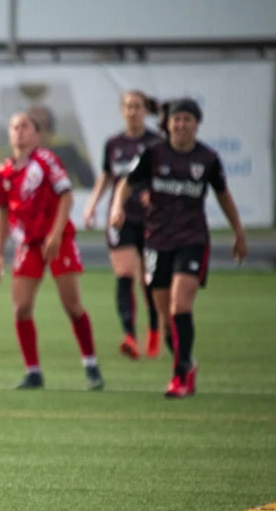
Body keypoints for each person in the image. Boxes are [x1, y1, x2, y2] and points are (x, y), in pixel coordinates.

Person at [111, 98, 248, 398]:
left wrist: (239, 232)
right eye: (177, 119)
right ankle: (187, 363)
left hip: (192, 239)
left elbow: (224, 197)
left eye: (187, 119)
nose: (182, 124)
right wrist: (117, 208)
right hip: (157, 240)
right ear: (168, 123)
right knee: (165, 319)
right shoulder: (154, 153)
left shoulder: (207, 159)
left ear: (197, 124)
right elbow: (126, 183)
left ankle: (179, 377)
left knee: (180, 307)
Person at [0, 112, 104, 391]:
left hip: (58, 240)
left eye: (25, 126)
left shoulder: (46, 160)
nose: (19, 131)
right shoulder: (4, 172)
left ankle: (91, 364)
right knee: (21, 308)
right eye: (14, 126)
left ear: (36, 134)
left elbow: (66, 195)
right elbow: (3, 215)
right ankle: (33, 372)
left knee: (72, 306)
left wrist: (55, 235)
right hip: (28, 244)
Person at [82, 90, 164, 360]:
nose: (132, 111)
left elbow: (166, 175)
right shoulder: (114, 144)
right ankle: (129, 335)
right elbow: (107, 176)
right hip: (121, 218)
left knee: (150, 280)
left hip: (152, 218)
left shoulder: (156, 142)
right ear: (121, 110)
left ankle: (153, 328)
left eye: (137, 106)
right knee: (124, 273)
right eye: (128, 106)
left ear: (145, 110)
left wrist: (154, 193)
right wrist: (92, 205)